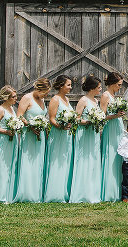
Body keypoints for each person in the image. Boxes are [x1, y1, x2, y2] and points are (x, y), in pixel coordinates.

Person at [12, 77, 50, 202]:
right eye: (45, 92)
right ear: (39, 89)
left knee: (39, 162)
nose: (46, 94)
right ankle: (26, 193)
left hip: (40, 135)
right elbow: (19, 116)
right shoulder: (27, 98)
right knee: (28, 162)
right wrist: (30, 125)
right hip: (28, 134)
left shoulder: (42, 99)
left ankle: (37, 193)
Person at [69, 75, 104, 203]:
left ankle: (92, 193)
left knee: (93, 160)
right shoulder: (83, 100)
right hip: (83, 134)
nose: (100, 89)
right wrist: (89, 121)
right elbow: (76, 119)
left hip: (93, 134)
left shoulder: (96, 101)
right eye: (99, 87)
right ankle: (81, 193)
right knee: (84, 161)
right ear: (92, 88)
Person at [43, 75, 74, 203]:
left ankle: (64, 192)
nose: (70, 87)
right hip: (58, 134)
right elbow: (52, 119)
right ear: (61, 86)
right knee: (57, 161)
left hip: (67, 135)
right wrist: (60, 126)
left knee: (65, 161)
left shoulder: (66, 99)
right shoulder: (55, 99)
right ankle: (54, 193)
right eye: (68, 85)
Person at [100, 72, 125, 202]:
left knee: (118, 156)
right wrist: (115, 116)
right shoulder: (105, 95)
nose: (120, 87)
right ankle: (109, 192)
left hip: (118, 127)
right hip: (110, 128)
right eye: (119, 85)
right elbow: (101, 116)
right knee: (111, 155)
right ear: (113, 83)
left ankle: (117, 190)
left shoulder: (114, 95)